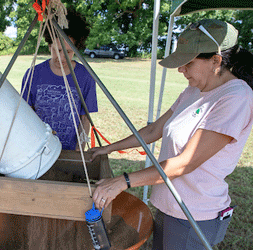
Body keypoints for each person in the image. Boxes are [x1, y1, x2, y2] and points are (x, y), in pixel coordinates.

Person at [89, 19, 253, 249]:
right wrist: (108, 148)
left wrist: (123, 182)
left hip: (194, 214)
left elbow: (185, 163)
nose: (181, 69)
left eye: (188, 62)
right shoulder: (195, 89)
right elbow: (155, 130)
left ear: (215, 61)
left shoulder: (236, 98)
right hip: (170, 206)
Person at [21, 8, 98, 151]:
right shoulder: (33, 74)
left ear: (76, 49)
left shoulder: (85, 77)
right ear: (49, 46)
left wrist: (79, 149)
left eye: (68, 52)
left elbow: (85, 119)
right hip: (39, 150)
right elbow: (26, 114)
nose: (61, 58)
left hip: (70, 149)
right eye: (57, 50)